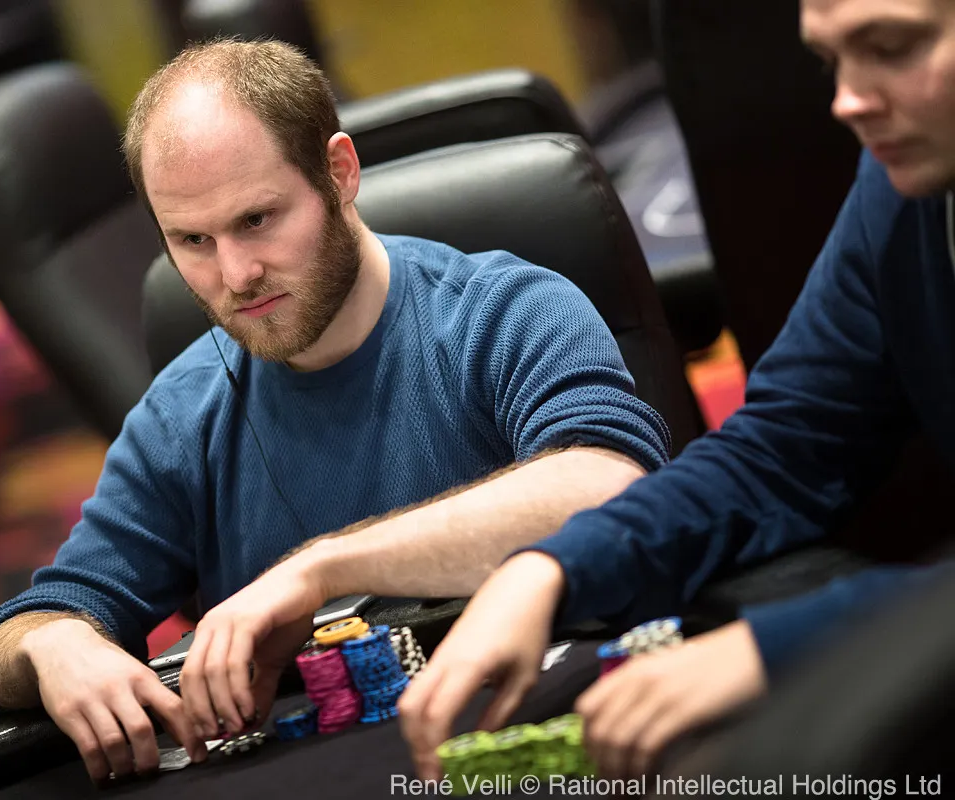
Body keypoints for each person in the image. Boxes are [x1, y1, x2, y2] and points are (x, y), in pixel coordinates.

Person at [0, 39, 672, 783]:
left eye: (257, 220)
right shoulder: (179, 415)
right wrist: (52, 644)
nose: (235, 274)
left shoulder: (506, 311)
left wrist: (321, 570)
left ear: (339, 172)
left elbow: (607, 485)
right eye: (192, 240)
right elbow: (11, 640)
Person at [399, 0, 955, 780]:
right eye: (831, 61)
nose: (847, 100)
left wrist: (771, 648)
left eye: (891, 47)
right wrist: (551, 569)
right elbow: (780, 452)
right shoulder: (899, 192)